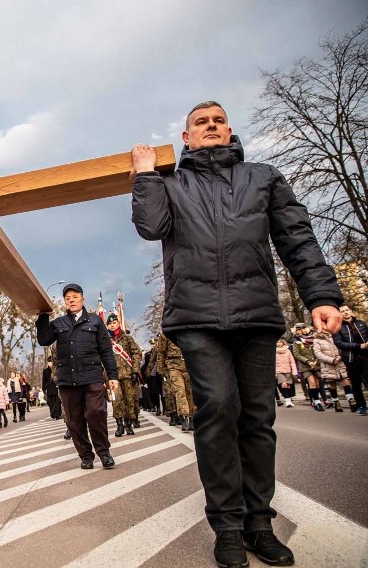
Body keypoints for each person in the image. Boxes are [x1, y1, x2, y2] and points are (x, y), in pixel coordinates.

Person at [131, 101, 343, 568]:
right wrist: (144, 174)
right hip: (197, 318)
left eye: (218, 121)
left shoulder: (262, 178)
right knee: (219, 409)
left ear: (229, 132)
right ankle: (227, 526)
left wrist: (321, 295)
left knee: (257, 419)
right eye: (200, 123)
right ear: (185, 138)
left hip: (256, 314)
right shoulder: (171, 183)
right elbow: (151, 227)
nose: (211, 126)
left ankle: (260, 524)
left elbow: (297, 239)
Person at [36, 283, 119, 470]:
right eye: (67, 298)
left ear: (83, 299)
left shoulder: (95, 322)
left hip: (92, 377)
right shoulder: (58, 323)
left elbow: (106, 351)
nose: (71, 300)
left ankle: (104, 453)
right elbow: (44, 340)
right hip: (67, 380)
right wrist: (42, 317)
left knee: (96, 413)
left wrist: (112, 375)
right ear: (65, 302)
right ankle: (85, 456)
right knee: (74, 420)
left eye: (75, 296)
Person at [105, 313, 142, 437]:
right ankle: (119, 425)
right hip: (113, 377)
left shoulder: (127, 338)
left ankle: (128, 424)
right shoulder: (105, 341)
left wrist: (135, 371)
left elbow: (136, 354)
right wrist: (105, 376)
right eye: (110, 324)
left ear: (118, 323)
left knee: (129, 400)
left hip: (128, 375)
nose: (112, 325)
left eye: (114, 323)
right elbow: (101, 359)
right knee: (117, 401)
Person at [333, 305, 368, 415]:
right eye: (342, 311)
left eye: (347, 310)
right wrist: (358, 346)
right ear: (339, 314)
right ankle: (361, 406)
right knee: (356, 383)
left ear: (350, 311)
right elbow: (339, 343)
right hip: (351, 359)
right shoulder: (337, 327)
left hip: (366, 356)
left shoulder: (360, 323)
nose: (345, 312)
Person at [314, 329, 351, 412]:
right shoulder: (317, 340)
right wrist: (331, 360)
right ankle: (336, 402)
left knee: (345, 380)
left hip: (340, 362)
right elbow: (318, 354)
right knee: (332, 383)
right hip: (328, 364)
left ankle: (351, 400)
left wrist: (340, 356)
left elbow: (343, 347)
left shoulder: (336, 336)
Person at [292, 324, 326, 411]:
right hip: (306, 366)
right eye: (299, 329)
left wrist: (316, 361)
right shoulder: (297, 342)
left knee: (317, 384)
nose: (302, 331)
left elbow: (319, 351)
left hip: (316, 364)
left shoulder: (314, 339)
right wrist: (308, 362)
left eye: (303, 328)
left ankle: (314, 400)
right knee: (312, 383)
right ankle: (317, 402)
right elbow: (297, 354)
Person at [274, 338, 298, 408]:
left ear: (283, 343)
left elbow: (292, 361)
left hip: (288, 370)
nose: (279, 343)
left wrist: (294, 371)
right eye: (277, 342)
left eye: (280, 342)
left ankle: (289, 399)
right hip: (279, 371)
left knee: (288, 385)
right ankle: (287, 401)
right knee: (283, 384)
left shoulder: (288, 351)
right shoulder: (274, 351)